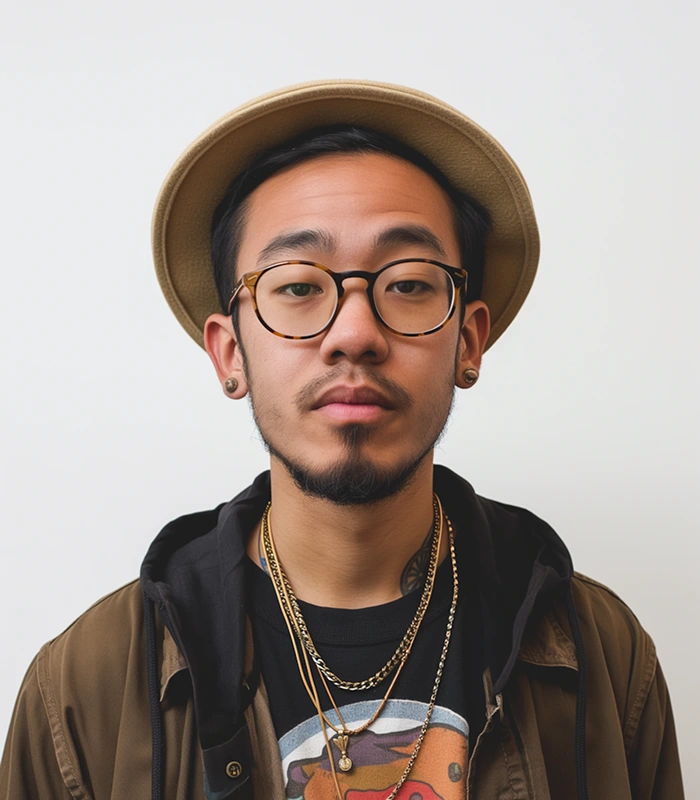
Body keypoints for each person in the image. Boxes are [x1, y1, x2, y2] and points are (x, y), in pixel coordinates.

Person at [0, 80, 685, 800]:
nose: (354, 333)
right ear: (230, 352)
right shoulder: (85, 685)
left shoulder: (597, 651)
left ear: (469, 342)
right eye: (297, 286)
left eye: (409, 284)